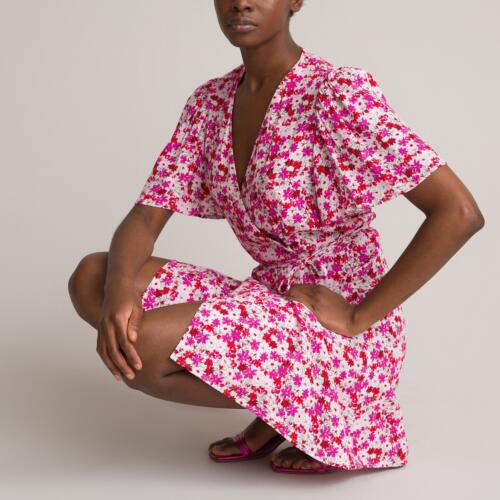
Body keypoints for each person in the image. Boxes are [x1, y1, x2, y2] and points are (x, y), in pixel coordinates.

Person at [68, 0, 485, 474]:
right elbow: (144, 219)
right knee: (95, 277)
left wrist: (357, 317)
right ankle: (282, 413)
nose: (241, 2)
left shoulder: (334, 93)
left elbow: (459, 213)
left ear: (295, 1)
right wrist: (120, 296)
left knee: (142, 348)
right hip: (270, 295)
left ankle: (328, 414)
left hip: (336, 322)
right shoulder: (210, 103)